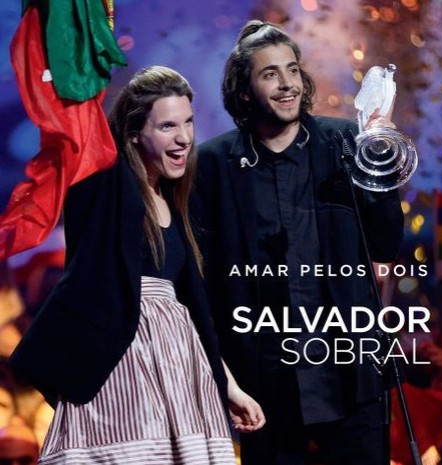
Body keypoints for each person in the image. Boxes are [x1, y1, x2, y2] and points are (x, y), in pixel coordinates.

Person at [8, 65, 264, 463]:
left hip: (180, 374)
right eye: (167, 126)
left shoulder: (177, 204)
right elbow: (76, 122)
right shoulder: (104, 183)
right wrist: (79, 45)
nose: (184, 137)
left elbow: (197, 314)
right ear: (132, 133)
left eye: (188, 122)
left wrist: (229, 386)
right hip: (119, 366)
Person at [194, 20, 404, 465]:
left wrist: (381, 164)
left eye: (292, 70)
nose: (287, 83)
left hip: (351, 380)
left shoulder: (345, 142)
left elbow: (385, 246)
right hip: (266, 389)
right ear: (244, 90)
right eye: (270, 74)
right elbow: (203, 280)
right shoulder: (212, 165)